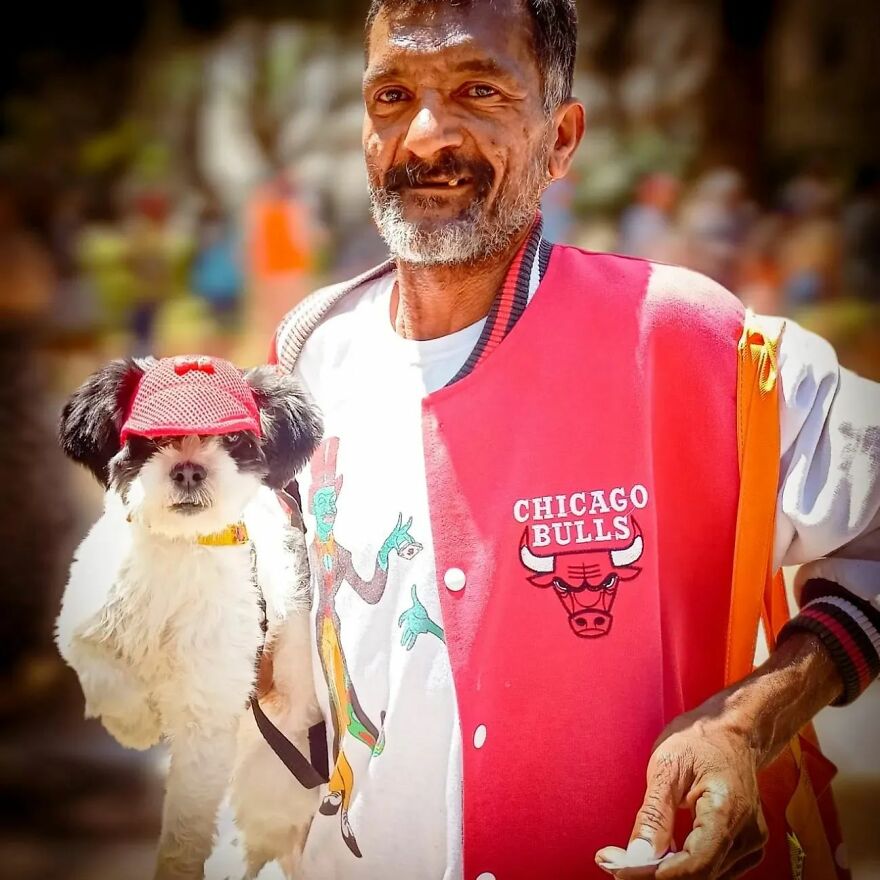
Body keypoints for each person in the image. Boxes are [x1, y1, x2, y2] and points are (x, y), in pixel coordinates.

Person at [263, 2, 880, 878]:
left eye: (478, 90)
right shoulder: (309, 350)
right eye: (393, 94)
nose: (426, 134)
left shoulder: (683, 337)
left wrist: (749, 722)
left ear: (560, 139)